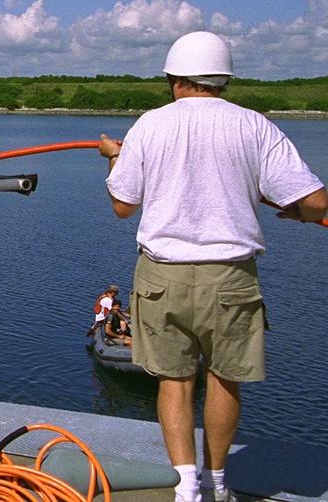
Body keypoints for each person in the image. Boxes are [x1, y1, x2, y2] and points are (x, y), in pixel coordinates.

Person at [99, 31, 326, 502]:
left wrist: (116, 156)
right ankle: (218, 481)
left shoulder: (149, 125)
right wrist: (295, 212)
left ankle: (185, 487)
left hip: (162, 275)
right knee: (225, 380)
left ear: (173, 78)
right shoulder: (254, 126)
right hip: (232, 276)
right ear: (222, 78)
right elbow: (316, 202)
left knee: (175, 383)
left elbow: (123, 204)